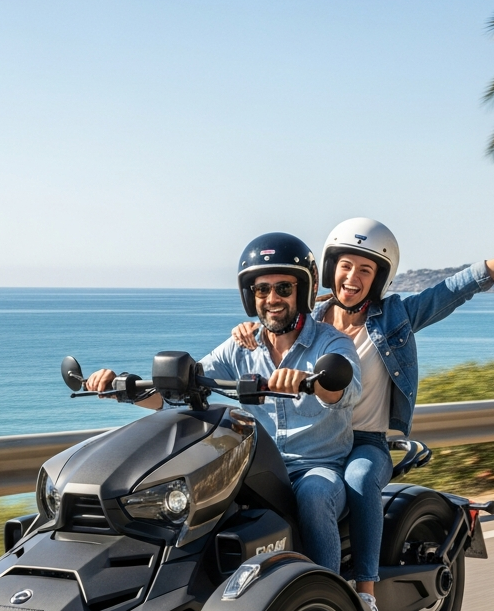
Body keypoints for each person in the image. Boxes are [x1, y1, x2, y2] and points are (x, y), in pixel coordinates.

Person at [233, 208, 494, 611]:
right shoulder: (310, 318)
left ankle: (365, 593)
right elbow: (271, 320)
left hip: (366, 442)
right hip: (317, 441)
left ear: (380, 278)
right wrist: (246, 329)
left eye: (365, 270)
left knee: (359, 478)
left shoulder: (396, 318)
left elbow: (458, 287)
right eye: (345, 266)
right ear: (330, 268)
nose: (352, 278)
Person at [84, 231, 362, 572]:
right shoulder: (240, 348)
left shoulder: (332, 343)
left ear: (302, 290)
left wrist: (314, 382)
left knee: (314, 496)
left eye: (283, 288)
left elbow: (348, 391)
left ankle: (327, 593)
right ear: (250, 295)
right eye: (262, 289)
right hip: (259, 467)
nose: (272, 298)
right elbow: (183, 390)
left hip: (316, 468)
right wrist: (120, 387)